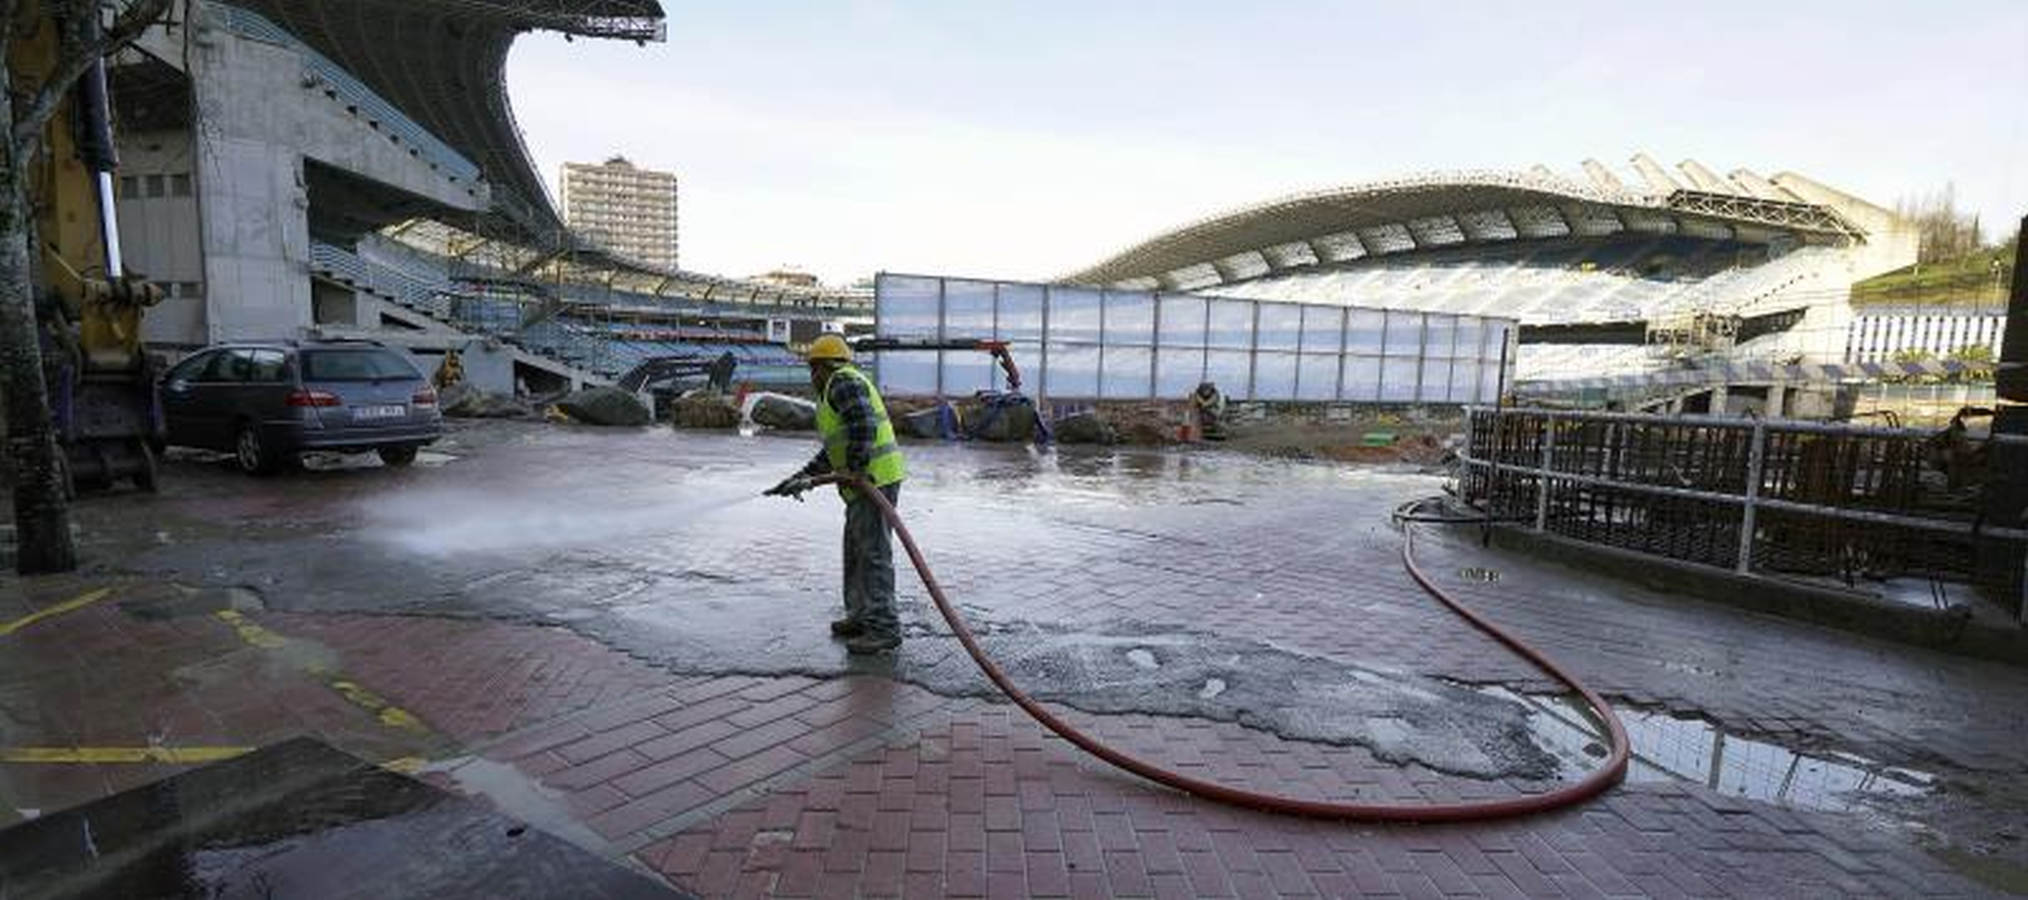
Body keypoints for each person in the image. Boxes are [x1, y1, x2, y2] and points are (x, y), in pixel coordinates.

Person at [764, 335, 909, 654]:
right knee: (856, 550)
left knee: (872, 555)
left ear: (820, 367)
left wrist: (856, 468)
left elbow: (864, 426)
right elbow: (834, 450)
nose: (811, 377)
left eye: (811, 369)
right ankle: (861, 616)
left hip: (874, 480)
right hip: (864, 483)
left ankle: (884, 628)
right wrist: (801, 478)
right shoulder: (836, 388)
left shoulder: (841, 381)